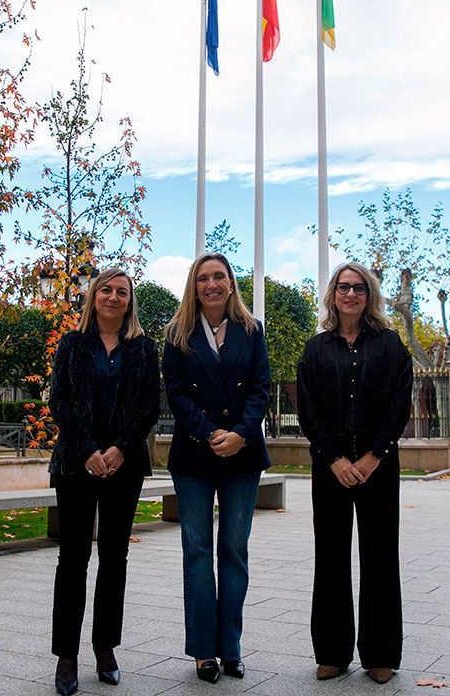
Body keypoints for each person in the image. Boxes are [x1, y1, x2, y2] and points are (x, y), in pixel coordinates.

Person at [296, 262, 411, 685]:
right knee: (330, 556)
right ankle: (332, 652)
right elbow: (306, 408)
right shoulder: (315, 348)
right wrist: (334, 459)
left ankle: (380, 655)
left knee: (381, 556)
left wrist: (374, 455)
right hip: (331, 464)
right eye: (343, 287)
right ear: (332, 294)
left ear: (369, 295)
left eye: (358, 288)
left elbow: (400, 404)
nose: (350, 294)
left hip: (377, 462)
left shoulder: (391, 345)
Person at [47, 267, 160, 696]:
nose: (113, 298)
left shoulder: (144, 349)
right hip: (77, 465)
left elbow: (150, 406)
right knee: (72, 562)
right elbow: (59, 400)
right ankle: (67, 655)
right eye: (106, 290)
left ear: (130, 301)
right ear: (93, 297)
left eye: (122, 292)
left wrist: (118, 450)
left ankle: (105, 647)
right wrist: (89, 451)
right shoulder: (72, 345)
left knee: (114, 560)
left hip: (124, 467)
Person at [162, 253, 271, 684]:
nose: (212, 284)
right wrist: (210, 433)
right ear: (194, 285)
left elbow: (261, 387)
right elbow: (176, 395)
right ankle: (203, 651)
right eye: (203, 277)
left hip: (242, 455)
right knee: (197, 551)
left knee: (233, 550)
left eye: (219, 276)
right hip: (193, 454)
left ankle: (231, 648)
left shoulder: (251, 330)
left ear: (230, 283)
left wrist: (242, 433)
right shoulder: (176, 334)